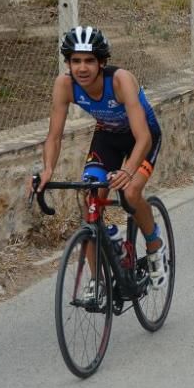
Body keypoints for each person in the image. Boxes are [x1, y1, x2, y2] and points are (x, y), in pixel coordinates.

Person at [39, 26, 168, 291]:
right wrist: (47, 169)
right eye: (76, 61)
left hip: (142, 138)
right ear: (68, 63)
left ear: (102, 62)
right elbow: (54, 135)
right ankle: (99, 281)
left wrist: (129, 171)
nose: (82, 68)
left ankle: (155, 246)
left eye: (89, 61)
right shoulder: (65, 85)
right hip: (107, 138)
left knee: (131, 193)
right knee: (90, 198)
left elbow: (143, 137)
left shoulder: (121, 81)